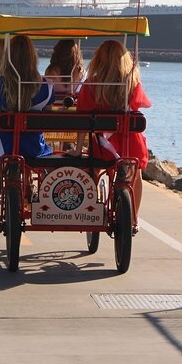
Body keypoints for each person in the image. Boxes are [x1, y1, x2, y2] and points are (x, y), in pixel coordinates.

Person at [65, 40, 151, 228]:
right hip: (131, 145)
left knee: (94, 169)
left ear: (100, 59)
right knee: (136, 175)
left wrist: (78, 150)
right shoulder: (133, 83)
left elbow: (82, 120)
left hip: (105, 147)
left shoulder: (92, 84)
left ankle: (93, 208)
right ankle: (134, 219)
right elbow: (140, 105)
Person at [0, 35, 54, 243]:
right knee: (49, 155)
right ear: (33, 56)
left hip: (5, 145)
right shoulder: (45, 86)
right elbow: (47, 114)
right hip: (33, 148)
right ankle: (41, 199)